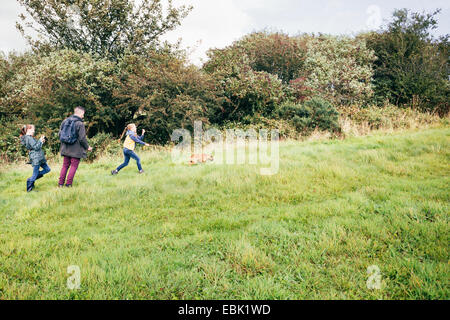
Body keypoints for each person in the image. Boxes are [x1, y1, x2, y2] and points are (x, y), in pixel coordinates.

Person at [58, 106, 92, 187]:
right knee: (73, 166)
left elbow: (60, 134)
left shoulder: (65, 121)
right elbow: (82, 138)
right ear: (80, 113)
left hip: (65, 148)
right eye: (83, 114)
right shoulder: (80, 124)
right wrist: (87, 147)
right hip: (76, 150)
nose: (83, 116)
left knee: (65, 166)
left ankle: (60, 184)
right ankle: (68, 184)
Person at [20, 124, 51, 192]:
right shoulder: (28, 138)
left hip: (39, 157)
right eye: (32, 129)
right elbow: (36, 147)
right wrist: (40, 140)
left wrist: (41, 142)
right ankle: (29, 188)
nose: (34, 131)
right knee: (35, 174)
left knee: (47, 169)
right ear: (28, 130)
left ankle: (31, 179)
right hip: (36, 158)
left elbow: (36, 146)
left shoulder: (30, 137)